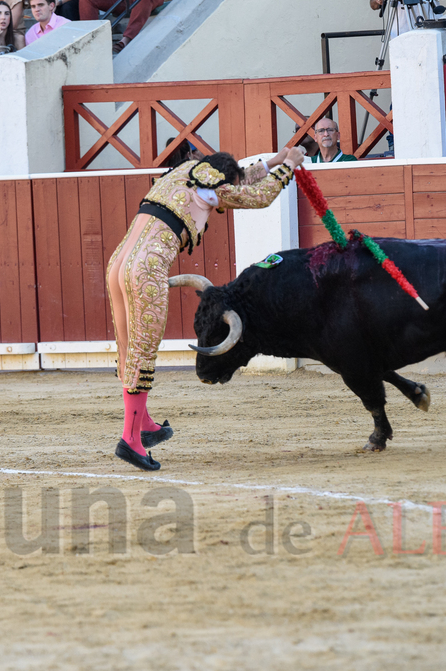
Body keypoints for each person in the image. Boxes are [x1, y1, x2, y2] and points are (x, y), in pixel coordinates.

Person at [106, 145, 306, 470]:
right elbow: (256, 195)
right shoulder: (213, 188)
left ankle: (143, 424)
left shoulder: (181, 173)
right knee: (142, 356)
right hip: (146, 268)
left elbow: (240, 178)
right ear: (223, 180)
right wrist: (289, 167)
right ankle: (130, 440)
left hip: (117, 264)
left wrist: (274, 160)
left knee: (129, 352)